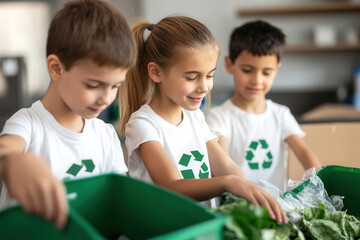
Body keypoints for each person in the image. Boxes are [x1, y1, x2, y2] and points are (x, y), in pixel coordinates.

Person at [120, 16, 287, 223]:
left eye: (210, 76)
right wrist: (227, 183)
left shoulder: (194, 117)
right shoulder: (143, 124)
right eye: (192, 77)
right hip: (165, 228)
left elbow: (225, 165)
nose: (204, 87)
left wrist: (251, 190)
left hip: (201, 225)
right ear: (156, 72)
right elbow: (172, 185)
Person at [0, 0, 136, 229]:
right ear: (56, 68)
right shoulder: (28, 124)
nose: (106, 98)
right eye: (93, 85)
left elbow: (118, 198)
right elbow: (6, 150)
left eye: (115, 86)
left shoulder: (105, 134)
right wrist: (13, 161)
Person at [205, 20, 322, 192]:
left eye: (266, 72)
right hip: (236, 203)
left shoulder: (281, 114)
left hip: (278, 206)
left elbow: (304, 152)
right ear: (229, 64)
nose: (257, 80)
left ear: (277, 69)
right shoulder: (219, 117)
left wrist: (320, 184)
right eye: (247, 70)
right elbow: (222, 165)